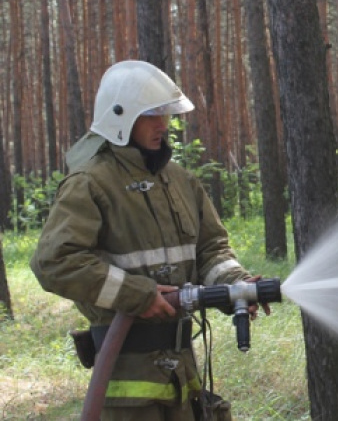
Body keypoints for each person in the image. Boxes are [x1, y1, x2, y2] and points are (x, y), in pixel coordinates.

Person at [30, 60, 268, 420]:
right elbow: (54, 262)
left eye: (165, 114)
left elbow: (211, 250)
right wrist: (135, 295)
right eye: (152, 114)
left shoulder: (181, 181)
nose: (164, 124)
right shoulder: (91, 183)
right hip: (125, 377)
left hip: (182, 370)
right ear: (120, 118)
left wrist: (235, 284)